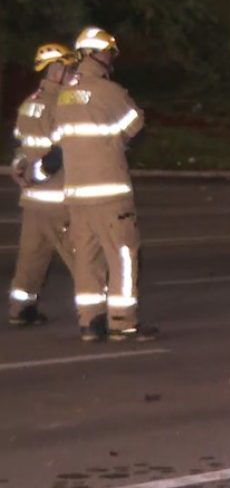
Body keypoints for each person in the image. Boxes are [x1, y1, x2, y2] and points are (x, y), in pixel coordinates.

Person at [53, 26, 156, 342]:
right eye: (110, 52)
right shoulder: (110, 92)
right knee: (122, 256)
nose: (112, 57)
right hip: (110, 195)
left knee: (87, 260)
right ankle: (122, 321)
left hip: (77, 196)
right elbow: (137, 131)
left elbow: (59, 141)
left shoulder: (64, 97)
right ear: (97, 54)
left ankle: (90, 321)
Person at [7, 44, 78, 326]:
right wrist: (37, 173)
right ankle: (105, 314)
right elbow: (62, 152)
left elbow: (22, 144)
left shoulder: (29, 103)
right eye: (70, 70)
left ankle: (20, 308)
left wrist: (19, 168)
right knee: (83, 258)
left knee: (31, 258)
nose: (74, 75)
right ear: (57, 71)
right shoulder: (62, 104)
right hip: (58, 199)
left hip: (32, 201)